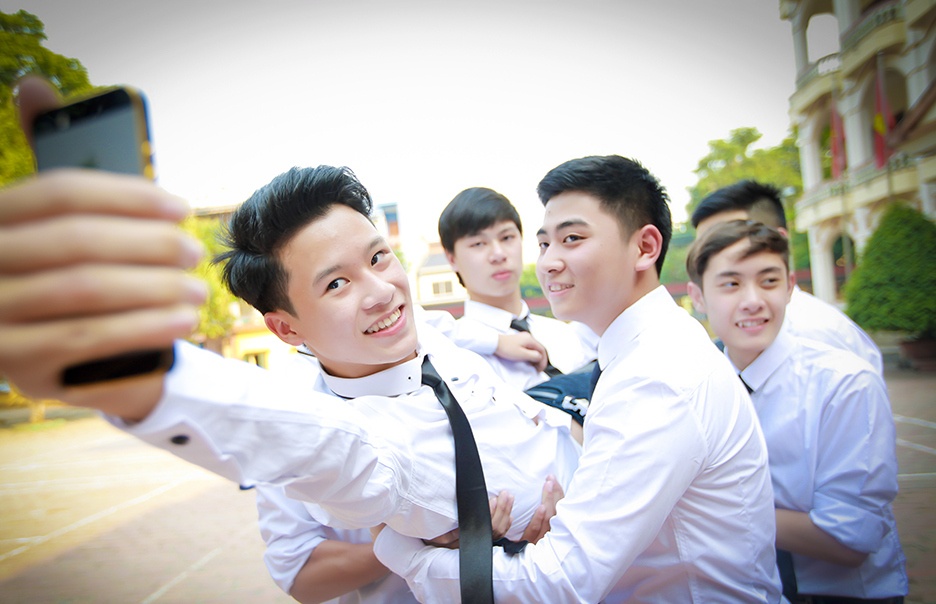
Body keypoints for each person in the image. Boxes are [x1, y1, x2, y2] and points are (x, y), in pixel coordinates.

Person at [0, 77, 575, 603]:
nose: (381, 292)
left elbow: (438, 322)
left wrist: (498, 344)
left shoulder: (430, 334)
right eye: (336, 284)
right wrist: (147, 381)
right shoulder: (328, 424)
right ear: (286, 327)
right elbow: (314, 452)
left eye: (379, 257)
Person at [372, 155, 785, 602]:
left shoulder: (655, 377)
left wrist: (403, 554)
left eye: (572, 239)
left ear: (645, 247)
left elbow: (563, 581)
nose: (548, 262)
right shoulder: (640, 352)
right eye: (545, 243)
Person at [685, 219, 907, 603]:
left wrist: (706, 509)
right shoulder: (697, 383)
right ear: (698, 297)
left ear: (789, 287)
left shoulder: (845, 383)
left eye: (769, 281)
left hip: (838, 595)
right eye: (731, 284)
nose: (753, 300)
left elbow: (849, 539)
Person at [691, 180, 884, 374]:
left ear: (779, 238)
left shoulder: (813, 334)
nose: (714, 253)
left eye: (728, 237)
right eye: (705, 246)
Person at [438, 186, 597, 392]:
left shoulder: (565, 334)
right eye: (478, 244)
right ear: (451, 258)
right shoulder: (453, 352)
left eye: (507, 238)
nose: (498, 254)